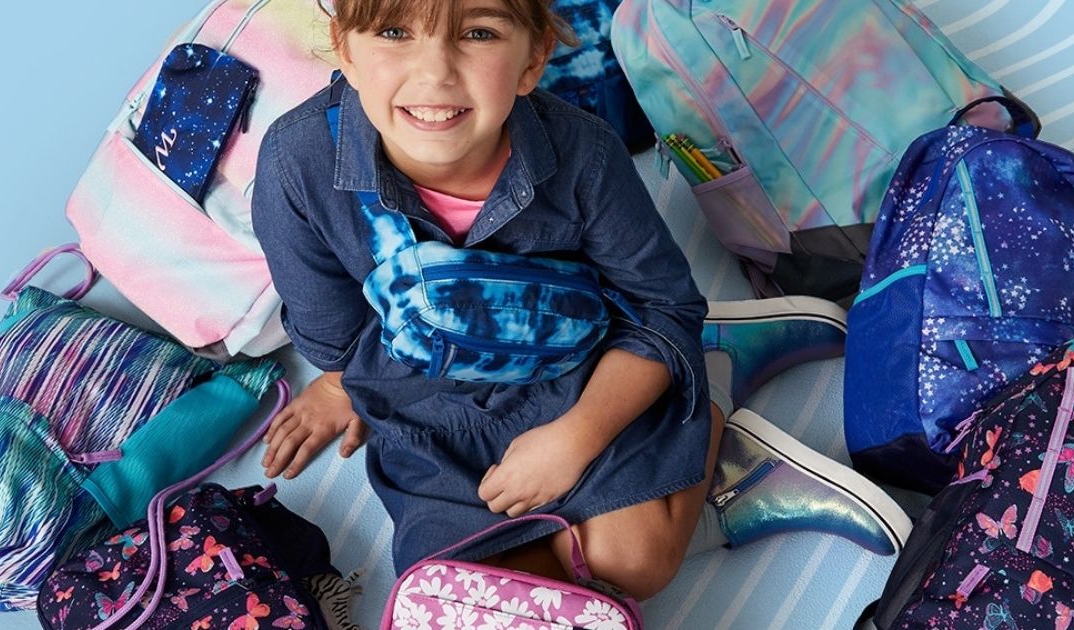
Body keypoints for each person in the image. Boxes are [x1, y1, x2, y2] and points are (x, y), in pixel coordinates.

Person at [252, 0, 910, 602]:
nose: (436, 73)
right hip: (426, 416)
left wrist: (577, 437)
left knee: (635, 565)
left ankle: (715, 407)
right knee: (485, 595)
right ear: (344, 48)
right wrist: (339, 384)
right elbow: (332, 333)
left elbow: (661, 307)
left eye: (477, 33)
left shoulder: (583, 153)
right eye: (394, 32)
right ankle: (694, 434)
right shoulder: (296, 162)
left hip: (578, 375)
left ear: (533, 59)